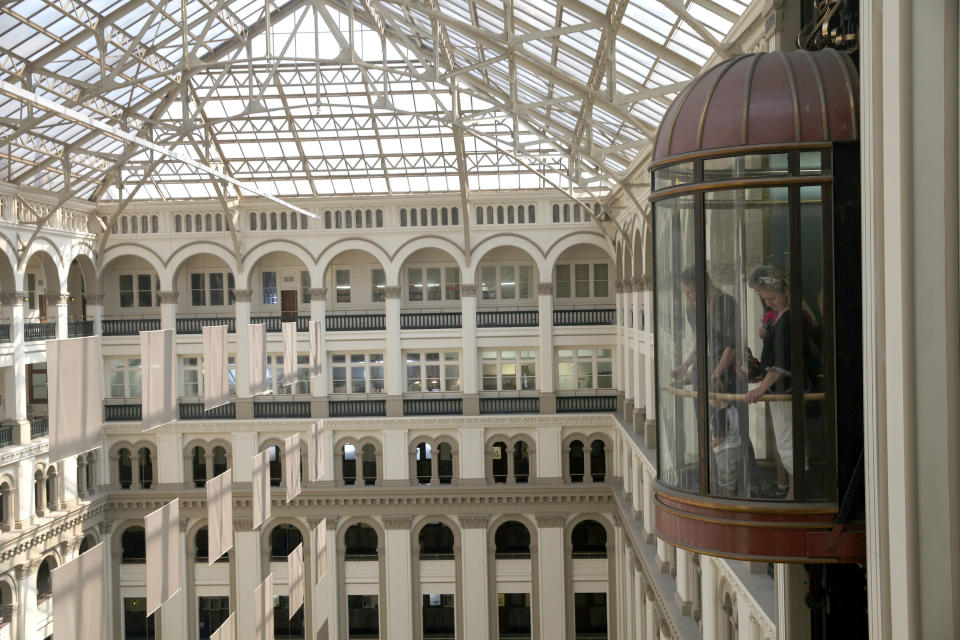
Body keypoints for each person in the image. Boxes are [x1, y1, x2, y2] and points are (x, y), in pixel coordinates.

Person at [744, 266, 811, 500]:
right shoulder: (786, 316)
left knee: (788, 440)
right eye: (765, 300)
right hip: (782, 388)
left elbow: (782, 363)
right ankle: (792, 490)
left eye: (772, 298)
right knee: (786, 440)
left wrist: (761, 389)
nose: (769, 303)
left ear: (785, 292)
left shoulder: (791, 317)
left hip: (785, 388)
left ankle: (795, 493)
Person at [670, 267, 739, 392]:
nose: (688, 297)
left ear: (703, 287)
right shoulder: (692, 309)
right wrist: (685, 366)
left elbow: (733, 346)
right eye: (685, 292)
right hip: (707, 374)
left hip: (726, 373)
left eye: (690, 291)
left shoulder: (726, 303)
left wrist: (713, 376)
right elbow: (701, 342)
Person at [709, 384, 744, 496]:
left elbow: (721, 438)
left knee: (727, 481)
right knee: (732, 479)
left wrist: (707, 446)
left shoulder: (720, 415)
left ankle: (728, 499)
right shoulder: (733, 409)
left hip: (726, 452)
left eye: (709, 397)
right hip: (735, 448)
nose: (708, 400)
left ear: (717, 397)